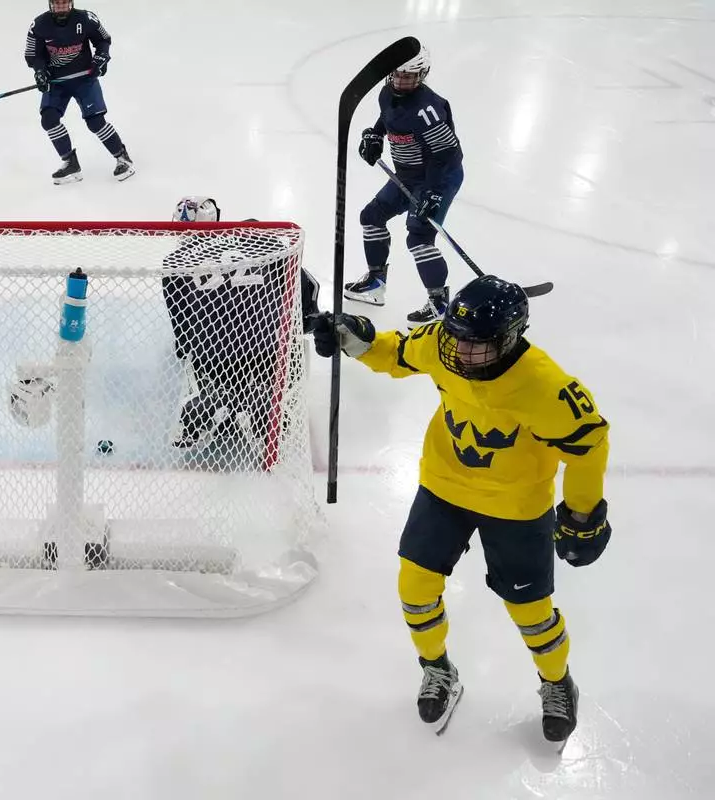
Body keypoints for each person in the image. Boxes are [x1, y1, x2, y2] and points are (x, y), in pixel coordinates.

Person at [310, 276, 611, 744]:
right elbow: (398, 353)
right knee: (414, 586)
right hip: (444, 485)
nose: (460, 352)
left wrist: (581, 513)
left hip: (515, 505)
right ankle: (437, 668)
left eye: (476, 344)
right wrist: (356, 337)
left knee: (530, 611)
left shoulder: (546, 387)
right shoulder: (444, 342)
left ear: (509, 339)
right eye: (456, 338)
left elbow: (589, 444)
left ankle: (557, 681)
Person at [163, 197, 320, 454]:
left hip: (215, 352)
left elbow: (181, 324)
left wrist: (187, 348)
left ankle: (214, 396)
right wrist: (299, 326)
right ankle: (264, 396)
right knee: (289, 344)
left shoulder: (175, 261)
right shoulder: (258, 235)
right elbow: (307, 287)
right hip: (266, 344)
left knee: (203, 351)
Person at [345, 45, 465, 328]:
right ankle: (376, 282)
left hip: (439, 178)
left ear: (422, 75)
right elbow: (387, 116)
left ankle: (439, 303)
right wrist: (375, 136)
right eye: (397, 74)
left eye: (408, 76)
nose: (400, 81)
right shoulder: (386, 93)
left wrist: (433, 193)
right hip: (408, 175)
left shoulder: (429, 109)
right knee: (371, 217)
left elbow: (447, 155)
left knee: (419, 237)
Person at [25, 0, 134, 184]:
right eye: (57, 4)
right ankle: (71, 163)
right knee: (49, 119)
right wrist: (40, 71)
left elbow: (103, 39)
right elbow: (33, 54)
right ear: (50, 4)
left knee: (95, 122)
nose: (61, 7)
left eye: (64, 3)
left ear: (71, 3)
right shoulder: (39, 25)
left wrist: (101, 58)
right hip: (57, 81)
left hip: (84, 79)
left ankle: (122, 157)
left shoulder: (86, 18)